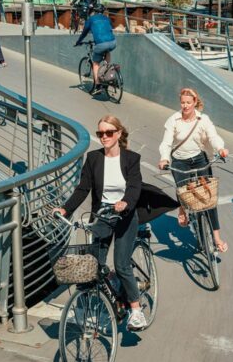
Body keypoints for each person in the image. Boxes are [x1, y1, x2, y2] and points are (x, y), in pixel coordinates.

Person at [53, 115, 147, 331]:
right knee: (95, 264)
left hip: (125, 216)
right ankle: (108, 297)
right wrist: (66, 209)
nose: (104, 137)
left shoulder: (131, 159)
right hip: (103, 216)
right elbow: (82, 188)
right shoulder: (94, 158)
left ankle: (135, 311)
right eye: (100, 133)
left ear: (118, 134)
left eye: (108, 133)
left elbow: (135, 187)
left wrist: (125, 202)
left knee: (122, 264)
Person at [158, 88, 230, 253]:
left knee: (208, 198)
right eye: (182, 102)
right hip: (179, 161)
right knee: (182, 188)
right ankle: (182, 209)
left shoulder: (203, 119)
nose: (185, 106)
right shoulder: (173, 120)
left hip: (199, 159)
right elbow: (167, 142)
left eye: (188, 103)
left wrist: (220, 148)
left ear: (195, 102)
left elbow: (213, 136)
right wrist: (164, 158)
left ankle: (216, 237)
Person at [75, 4, 115, 95]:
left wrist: (78, 42)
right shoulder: (107, 18)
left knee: (95, 63)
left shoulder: (91, 19)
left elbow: (84, 33)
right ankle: (107, 70)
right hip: (113, 42)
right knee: (107, 50)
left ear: (94, 11)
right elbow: (109, 28)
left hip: (101, 44)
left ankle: (98, 85)